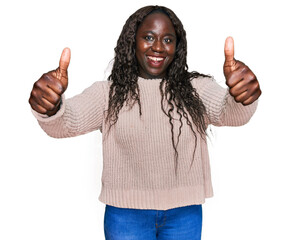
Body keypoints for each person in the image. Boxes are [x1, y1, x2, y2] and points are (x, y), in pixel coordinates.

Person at [28, 5, 261, 240]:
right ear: (133, 41)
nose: (158, 47)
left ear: (177, 47)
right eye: (148, 37)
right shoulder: (108, 94)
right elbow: (67, 123)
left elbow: (229, 113)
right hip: (125, 216)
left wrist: (242, 96)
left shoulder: (196, 90)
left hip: (185, 214)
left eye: (167, 39)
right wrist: (50, 106)